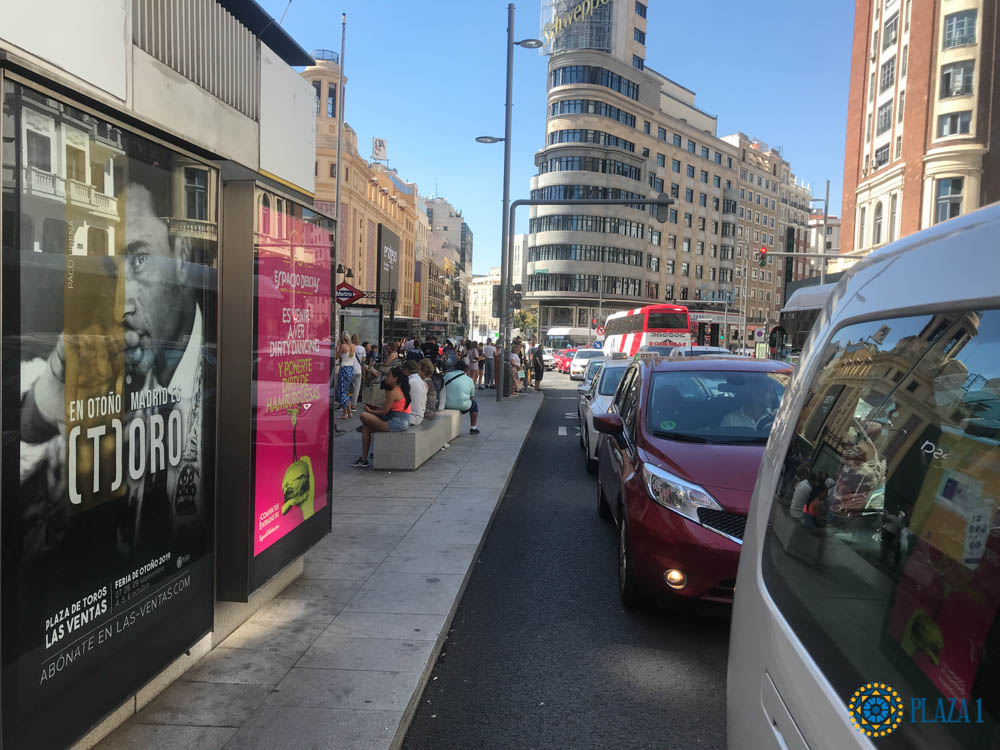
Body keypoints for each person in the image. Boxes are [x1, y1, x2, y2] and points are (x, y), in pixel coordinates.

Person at [20, 182, 208, 559]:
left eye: (139, 260)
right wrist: (60, 377)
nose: (122, 305)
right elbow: (28, 428)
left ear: (183, 258)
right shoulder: (114, 368)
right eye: (114, 271)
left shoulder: (226, 369)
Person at [353, 365, 411, 468]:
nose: (385, 377)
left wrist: (370, 410)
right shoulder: (397, 389)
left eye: (388, 376)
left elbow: (384, 412)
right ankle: (363, 459)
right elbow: (387, 410)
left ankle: (364, 459)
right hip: (398, 420)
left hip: (398, 423)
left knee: (364, 416)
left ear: (395, 379)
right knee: (366, 428)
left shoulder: (393, 392)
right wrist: (375, 409)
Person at [443, 361, 480, 434]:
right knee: (474, 404)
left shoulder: (447, 375)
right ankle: (473, 428)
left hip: (446, 404)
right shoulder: (469, 380)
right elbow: (472, 396)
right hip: (463, 406)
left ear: (455, 367)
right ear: (466, 369)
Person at [402, 359, 426, 427]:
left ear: (406, 370)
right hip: (419, 416)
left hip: (411, 417)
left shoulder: (410, 382)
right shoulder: (420, 381)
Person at [336, 334, 355, 419]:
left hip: (344, 369)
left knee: (342, 391)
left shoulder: (342, 346)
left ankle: (345, 413)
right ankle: (350, 412)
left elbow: (337, 356)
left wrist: (337, 346)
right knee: (346, 391)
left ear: (342, 339)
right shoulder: (352, 346)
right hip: (350, 369)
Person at [351, 334, 365, 408]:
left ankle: (345, 403)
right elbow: (363, 360)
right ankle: (353, 404)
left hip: (350, 369)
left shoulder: (350, 347)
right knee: (356, 389)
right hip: (358, 370)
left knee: (346, 387)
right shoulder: (362, 348)